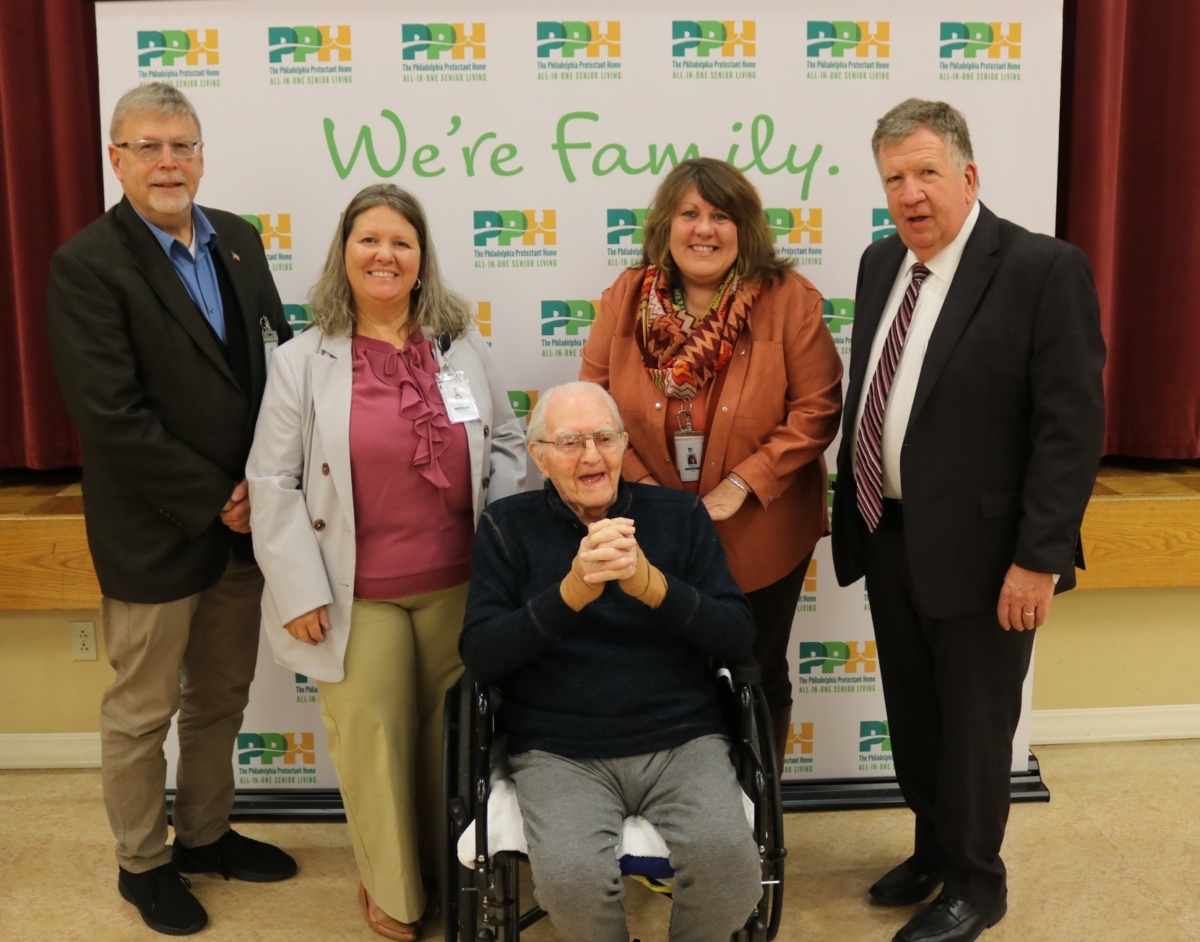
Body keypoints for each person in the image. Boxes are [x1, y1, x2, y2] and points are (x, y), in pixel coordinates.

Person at [831, 99, 1106, 942]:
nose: (909, 194)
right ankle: (934, 851)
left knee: (977, 729)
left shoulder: (1041, 269)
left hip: (991, 556)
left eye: (926, 173)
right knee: (916, 718)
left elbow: (1070, 430)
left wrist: (1038, 558)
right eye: (894, 178)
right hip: (890, 533)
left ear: (969, 176)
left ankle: (978, 885)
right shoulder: (882, 262)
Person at [46, 83, 296, 936]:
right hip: (155, 533)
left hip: (244, 529)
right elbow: (110, 415)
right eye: (148, 147)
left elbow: (274, 369)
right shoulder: (87, 264)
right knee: (142, 712)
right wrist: (217, 497)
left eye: (182, 145)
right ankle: (143, 865)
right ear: (115, 159)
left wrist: (264, 485)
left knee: (222, 696)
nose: (168, 162)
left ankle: (206, 835)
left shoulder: (239, 240)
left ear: (201, 154)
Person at [246, 184, 526, 941]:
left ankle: (446, 871)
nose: (385, 255)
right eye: (369, 239)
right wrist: (298, 588)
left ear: (422, 259)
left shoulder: (458, 346)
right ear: (344, 253)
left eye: (402, 242)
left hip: (460, 585)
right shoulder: (303, 361)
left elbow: (506, 439)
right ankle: (394, 891)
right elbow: (271, 482)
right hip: (354, 594)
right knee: (373, 742)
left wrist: (503, 544)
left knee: (447, 744)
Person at [460, 381, 763, 942]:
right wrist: (571, 594)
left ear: (624, 444)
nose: (591, 456)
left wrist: (653, 587)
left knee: (731, 873)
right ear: (539, 456)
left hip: (682, 738)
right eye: (570, 442)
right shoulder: (506, 526)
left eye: (604, 438)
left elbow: (737, 636)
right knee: (571, 883)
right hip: (559, 748)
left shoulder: (680, 515)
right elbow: (481, 654)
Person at [580, 158, 843, 763]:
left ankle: (759, 806)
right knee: (667, 669)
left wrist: (743, 484)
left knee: (757, 670)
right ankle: (682, 800)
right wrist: (649, 492)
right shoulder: (625, 298)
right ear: (665, 226)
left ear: (744, 227)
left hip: (762, 527)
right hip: (650, 527)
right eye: (690, 214)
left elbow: (817, 409)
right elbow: (595, 406)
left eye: (721, 215)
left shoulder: (788, 299)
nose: (705, 229)